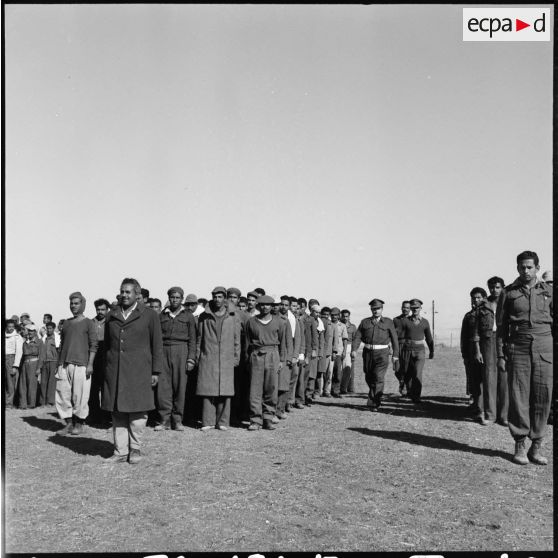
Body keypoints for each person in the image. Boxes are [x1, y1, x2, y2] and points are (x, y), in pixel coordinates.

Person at [498, 251, 553, 465]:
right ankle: (520, 443)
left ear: (538, 268)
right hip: (518, 345)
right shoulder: (508, 293)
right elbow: (501, 327)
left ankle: (536, 446)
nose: (526, 270)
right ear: (517, 268)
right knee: (519, 395)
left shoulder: (549, 291)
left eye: (530, 267)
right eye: (522, 267)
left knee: (543, 395)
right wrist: (501, 354)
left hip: (544, 346)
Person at [102, 278, 163, 464]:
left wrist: (156, 371)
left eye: (128, 292)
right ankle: (120, 451)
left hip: (139, 371)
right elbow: (107, 345)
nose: (124, 295)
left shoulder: (149, 315)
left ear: (138, 294)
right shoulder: (111, 315)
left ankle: (135, 449)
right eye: (122, 291)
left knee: (137, 412)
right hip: (116, 371)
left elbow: (157, 344)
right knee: (118, 411)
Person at [196, 287, 240, 431]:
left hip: (226, 357)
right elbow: (199, 338)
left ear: (225, 298)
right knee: (208, 390)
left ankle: (222, 421)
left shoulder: (233, 316)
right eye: (215, 296)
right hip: (209, 356)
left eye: (220, 297)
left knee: (225, 391)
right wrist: (198, 356)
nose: (217, 299)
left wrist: (236, 357)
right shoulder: (204, 316)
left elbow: (236, 339)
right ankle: (207, 421)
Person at [55, 292, 98, 434]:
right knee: (63, 394)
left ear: (83, 305)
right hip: (64, 364)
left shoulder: (89, 323)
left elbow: (93, 345)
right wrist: (59, 365)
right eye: (71, 303)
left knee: (80, 396)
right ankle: (68, 423)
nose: (73, 306)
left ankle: (79, 424)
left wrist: (90, 364)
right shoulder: (66, 323)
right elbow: (61, 345)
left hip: (81, 365)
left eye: (76, 303)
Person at [155, 287, 197, 431]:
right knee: (163, 387)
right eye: (172, 297)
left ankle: (177, 420)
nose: (174, 300)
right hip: (164, 351)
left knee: (180, 387)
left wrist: (191, 358)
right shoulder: (161, 316)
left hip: (182, 351)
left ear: (182, 299)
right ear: (168, 298)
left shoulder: (188, 316)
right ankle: (164, 420)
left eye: (178, 298)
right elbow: (156, 339)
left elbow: (193, 339)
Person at [245, 295, 287, 430]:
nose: (265, 307)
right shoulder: (251, 321)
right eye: (262, 304)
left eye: (268, 304)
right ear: (258, 306)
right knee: (255, 389)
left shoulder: (279, 322)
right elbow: (247, 342)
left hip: (272, 355)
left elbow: (283, 343)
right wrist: (248, 359)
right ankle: (255, 420)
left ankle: (268, 418)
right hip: (256, 355)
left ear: (272, 306)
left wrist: (281, 360)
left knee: (271, 388)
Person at [352, 299, 399, 411]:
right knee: (369, 376)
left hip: (382, 354)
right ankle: (373, 395)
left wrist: (395, 355)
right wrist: (354, 349)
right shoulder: (365, 322)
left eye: (378, 309)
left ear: (382, 309)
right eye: (374, 309)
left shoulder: (388, 322)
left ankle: (374, 402)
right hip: (368, 353)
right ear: (371, 309)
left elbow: (394, 339)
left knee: (378, 377)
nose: (376, 311)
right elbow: (358, 336)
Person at [460, 288, 493, 425]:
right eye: (474, 298)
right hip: (471, 351)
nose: (476, 300)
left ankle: (485, 410)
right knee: (474, 381)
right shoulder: (468, 316)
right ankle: (477, 408)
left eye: (479, 297)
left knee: (485, 380)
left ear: (485, 298)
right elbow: (463, 336)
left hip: (485, 350)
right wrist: (465, 354)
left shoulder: (487, 313)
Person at [399, 299, 434, 404]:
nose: (415, 310)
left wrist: (432, 351)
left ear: (420, 309)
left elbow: (429, 338)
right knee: (407, 373)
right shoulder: (405, 321)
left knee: (417, 373)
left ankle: (416, 396)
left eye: (417, 308)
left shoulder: (425, 322)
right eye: (413, 308)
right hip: (407, 351)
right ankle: (409, 392)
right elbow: (398, 336)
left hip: (420, 352)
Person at [486, 276, 508, 426]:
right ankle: (490, 415)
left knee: (505, 377)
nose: (495, 290)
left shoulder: (509, 302)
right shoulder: (484, 304)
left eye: (498, 287)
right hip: (488, 340)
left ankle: (505, 415)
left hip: (505, 339)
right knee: (489, 377)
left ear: (503, 288)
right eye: (492, 287)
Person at [88, 298, 111, 426]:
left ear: (107, 309)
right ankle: (93, 415)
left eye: (103, 309)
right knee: (93, 387)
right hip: (94, 354)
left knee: (106, 387)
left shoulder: (111, 322)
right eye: (98, 309)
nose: (100, 311)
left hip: (106, 354)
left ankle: (105, 416)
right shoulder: (91, 322)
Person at [276, 295, 295, 419]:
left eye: (285, 305)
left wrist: (289, 357)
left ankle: (280, 410)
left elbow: (289, 340)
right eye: (281, 304)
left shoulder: (289, 320)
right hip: (274, 355)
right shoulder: (274, 318)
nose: (283, 307)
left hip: (285, 355)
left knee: (283, 385)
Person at [286, 297, 306, 412]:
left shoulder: (297, 320)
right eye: (293, 307)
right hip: (287, 353)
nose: (295, 309)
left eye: (297, 307)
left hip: (295, 352)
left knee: (294, 376)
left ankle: (290, 401)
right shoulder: (286, 319)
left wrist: (300, 353)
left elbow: (301, 337)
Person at [19, 324, 44, 409]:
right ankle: (23, 404)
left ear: (35, 332)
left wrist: (39, 368)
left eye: (32, 331)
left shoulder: (39, 342)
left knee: (32, 384)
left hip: (34, 364)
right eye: (29, 331)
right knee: (23, 384)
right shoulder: (25, 341)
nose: (30, 333)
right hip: (25, 364)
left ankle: (31, 403)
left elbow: (42, 356)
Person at [393, 301, 411, 395]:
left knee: (407, 368)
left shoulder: (412, 320)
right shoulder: (396, 320)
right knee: (397, 369)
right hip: (397, 345)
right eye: (404, 307)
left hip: (408, 346)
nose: (405, 309)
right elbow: (392, 334)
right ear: (401, 308)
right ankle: (401, 382)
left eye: (408, 308)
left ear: (410, 309)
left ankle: (406, 388)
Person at [39, 322, 59, 406]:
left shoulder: (57, 338)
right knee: (43, 382)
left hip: (53, 361)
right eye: (47, 328)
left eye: (50, 328)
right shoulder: (44, 338)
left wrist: (58, 364)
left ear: (54, 329)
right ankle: (42, 402)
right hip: (45, 361)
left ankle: (50, 401)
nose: (49, 330)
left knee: (52, 382)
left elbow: (59, 351)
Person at [4, 319, 23, 409]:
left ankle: (9, 403)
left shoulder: (17, 337)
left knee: (10, 383)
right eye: (9, 326)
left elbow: (19, 352)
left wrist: (15, 365)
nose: (10, 328)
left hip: (11, 359)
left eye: (12, 326)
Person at [329, 307, 348, 398]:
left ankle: (336, 390)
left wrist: (344, 351)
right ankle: (326, 390)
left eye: (336, 315)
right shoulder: (328, 324)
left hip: (339, 352)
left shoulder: (342, 326)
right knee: (328, 372)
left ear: (339, 315)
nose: (334, 317)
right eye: (332, 315)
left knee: (337, 373)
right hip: (329, 351)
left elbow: (345, 339)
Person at [339, 309, 357, 394]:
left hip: (349, 347)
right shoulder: (338, 325)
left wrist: (354, 351)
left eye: (347, 316)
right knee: (339, 368)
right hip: (339, 346)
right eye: (343, 316)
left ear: (349, 316)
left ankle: (344, 388)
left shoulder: (353, 327)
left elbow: (355, 340)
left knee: (347, 369)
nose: (345, 318)